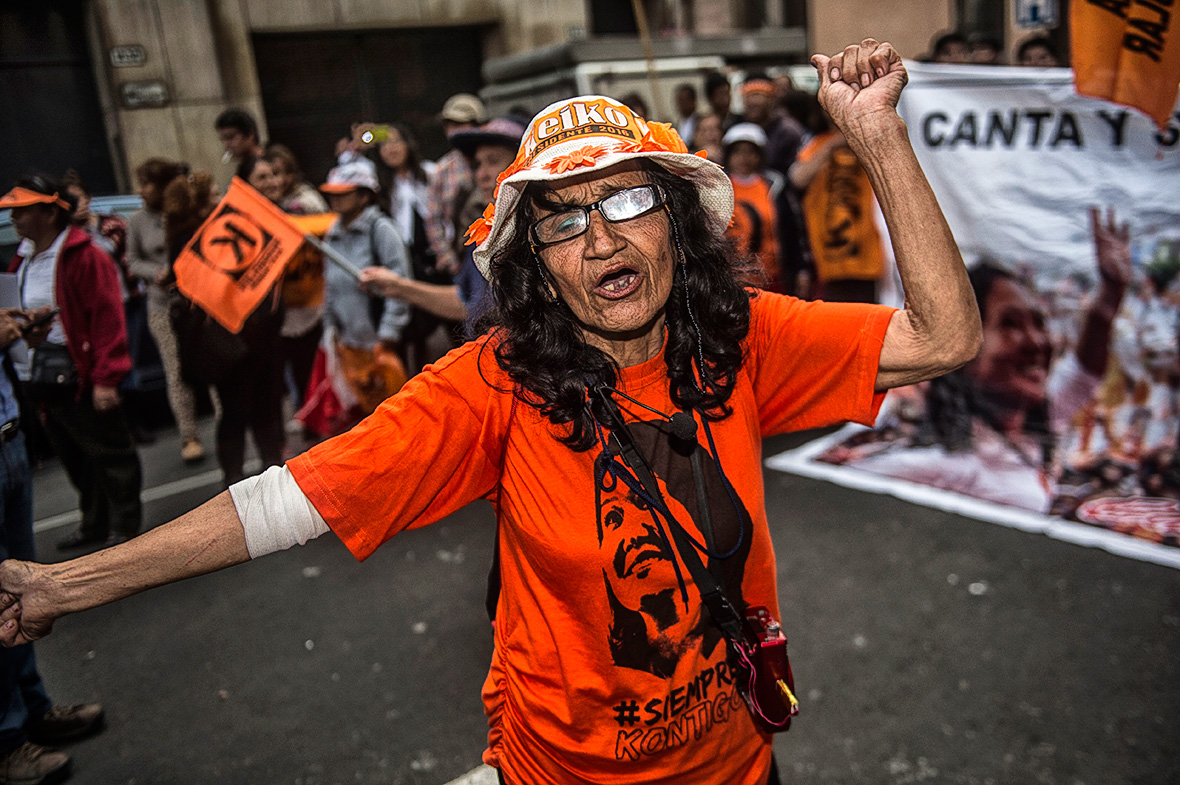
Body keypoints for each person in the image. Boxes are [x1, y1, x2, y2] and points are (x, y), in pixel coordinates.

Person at [0, 40, 982, 784]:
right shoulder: (493, 383)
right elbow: (291, 498)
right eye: (563, 216)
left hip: (737, 760)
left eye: (627, 200)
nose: (599, 235)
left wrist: (878, 138)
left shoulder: (745, 340)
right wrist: (64, 585)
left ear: (677, 224)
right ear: (538, 265)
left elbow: (943, 337)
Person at [840, 208, 1132, 513]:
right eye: (1010, 325)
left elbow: (1081, 377)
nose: (1037, 342)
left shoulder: (1031, 426)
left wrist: (1110, 296)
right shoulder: (947, 463)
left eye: (1038, 323)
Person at [2, 176, 143, 552]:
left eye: (22, 211)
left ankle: (124, 524)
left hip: (81, 372)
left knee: (111, 452)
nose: (14, 219)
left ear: (49, 212)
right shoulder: (24, 256)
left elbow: (108, 316)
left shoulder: (85, 253)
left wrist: (106, 378)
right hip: (42, 375)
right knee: (74, 455)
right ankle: (94, 522)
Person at [0, 308, 104, 785]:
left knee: (19, 590)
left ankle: (30, 709)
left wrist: (17, 332)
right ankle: (7, 738)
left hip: (7, 435)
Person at [359, 118, 527, 332]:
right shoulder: (483, 230)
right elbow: (469, 303)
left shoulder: (536, 234)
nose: (482, 175)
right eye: (476, 165)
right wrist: (398, 287)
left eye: (492, 161)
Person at [316, 159, 410, 421]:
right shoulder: (332, 234)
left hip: (381, 345)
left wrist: (388, 335)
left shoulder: (381, 229)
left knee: (395, 416)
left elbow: (400, 286)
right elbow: (330, 287)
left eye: (343, 193)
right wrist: (330, 330)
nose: (335, 199)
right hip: (350, 346)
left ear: (364, 195)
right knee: (364, 419)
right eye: (332, 193)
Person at [126, 159, 206, 463]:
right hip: (162, 305)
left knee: (213, 363)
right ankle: (189, 435)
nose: (141, 191)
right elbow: (132, 261)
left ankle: (228, 421)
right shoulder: (137, 221)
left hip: (197, 303)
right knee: (176, 372)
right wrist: (155, 272)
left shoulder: (185, 212)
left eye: (146, 183)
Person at [790, 115, 885, 303]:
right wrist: (834, 144)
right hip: (832, 257)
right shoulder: (820, 144)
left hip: (872, 256)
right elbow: (797, 178)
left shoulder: (872, 144)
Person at [424, 93, 486, 276]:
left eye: (459, 124)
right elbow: (432, 219)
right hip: (464, 255)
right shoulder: (442, 170)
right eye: (449, 125)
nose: (453, 131)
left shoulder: (494, 158)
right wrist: (451, 261)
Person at [722, 123, 783, 291]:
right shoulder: (720, 188)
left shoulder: (774, 185)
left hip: (771, 277)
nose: (744, 157)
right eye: (738, 151)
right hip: (734, 281)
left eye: (750, 151)